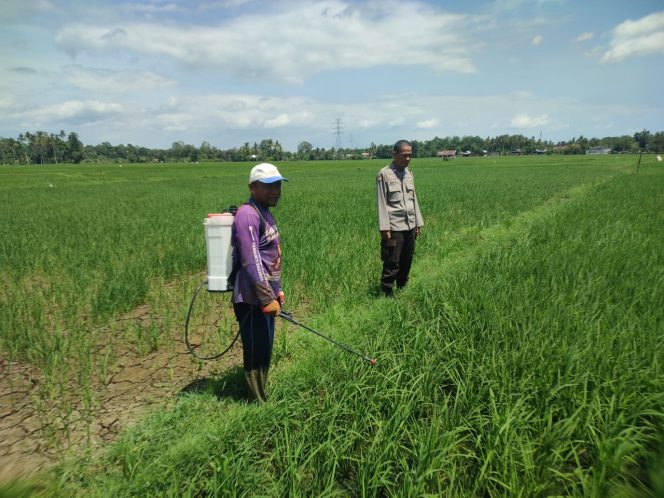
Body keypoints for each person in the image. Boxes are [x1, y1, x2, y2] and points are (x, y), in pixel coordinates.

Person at [231, 163, 287, 402]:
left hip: (266, 297)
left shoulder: (264, 210)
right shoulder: (247, 215)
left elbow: (270, 255)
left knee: (265, 348)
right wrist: (266, 298)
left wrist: (278, 290)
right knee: (255, 351)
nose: (275, 191)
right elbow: (251, 260)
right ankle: (257, 402)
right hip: (252, 300)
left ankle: (262, 392)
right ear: (252, 187)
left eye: (277, 185)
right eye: (267, 186)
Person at [376, 140, 424, 298]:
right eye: (405, 155)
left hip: (410, 224)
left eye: (410, 155)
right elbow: (382, 202)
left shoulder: (409, 173)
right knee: (392, 260)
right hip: (394, 226)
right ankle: (387, 290)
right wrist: (385, 228)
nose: (408, 158)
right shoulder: (384, 174)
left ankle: (403, 285)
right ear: (394, 154)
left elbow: (413, 198)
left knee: (407, 258)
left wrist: (418, 222)